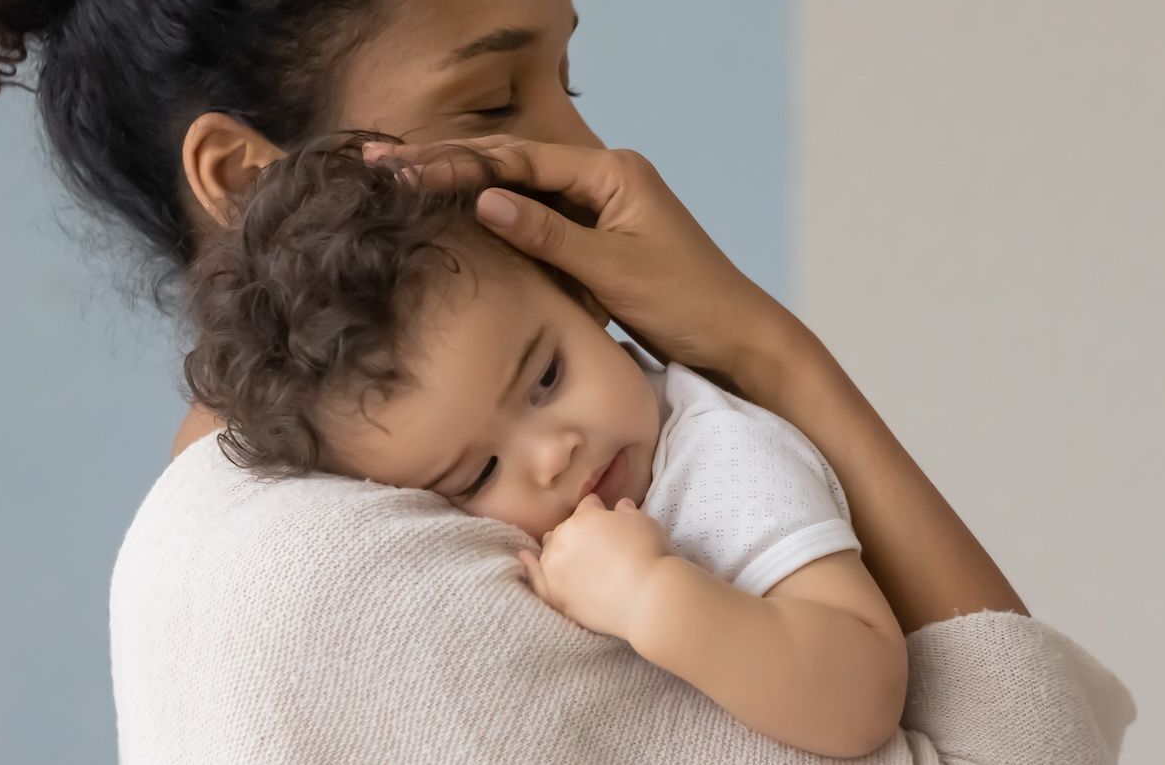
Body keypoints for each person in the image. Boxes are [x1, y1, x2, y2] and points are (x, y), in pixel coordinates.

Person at [0, 0, 1136, 760]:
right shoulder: (345, 575)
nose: (598, 157)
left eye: (567, 79)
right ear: (249, 179)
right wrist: (761, 347)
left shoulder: (271, 529)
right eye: (493, 101)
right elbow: (1024, 748)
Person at [180, 132, 908, 758]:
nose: (552, 454)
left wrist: (653, 599)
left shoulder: (720, 460)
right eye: (479, 472)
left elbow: (866, 688)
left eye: (547, 376)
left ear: (582, 295)